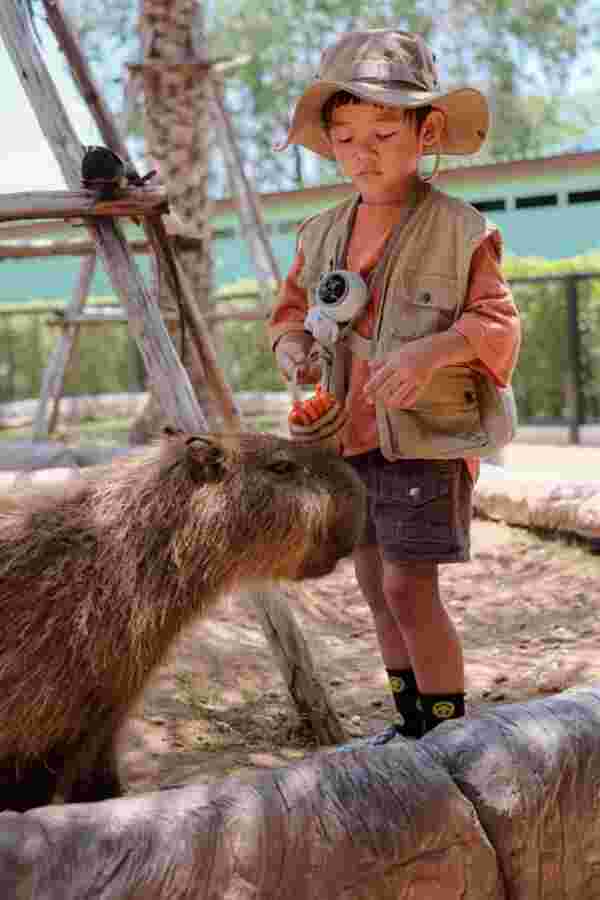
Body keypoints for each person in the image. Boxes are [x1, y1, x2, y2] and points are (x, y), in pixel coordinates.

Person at [269, 29, 521, 742]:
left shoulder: (461, 230)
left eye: (384, 130)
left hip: (423, 442)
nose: (362, 151)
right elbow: (289, 318)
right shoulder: (319, 234)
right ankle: (412, 724)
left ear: (428, 130)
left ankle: (449, 730)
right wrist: (296, 354)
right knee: (377, 589)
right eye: (344, 137)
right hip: (347, 440)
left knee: (411, 588)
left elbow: (496, 324)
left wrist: (432, 353)